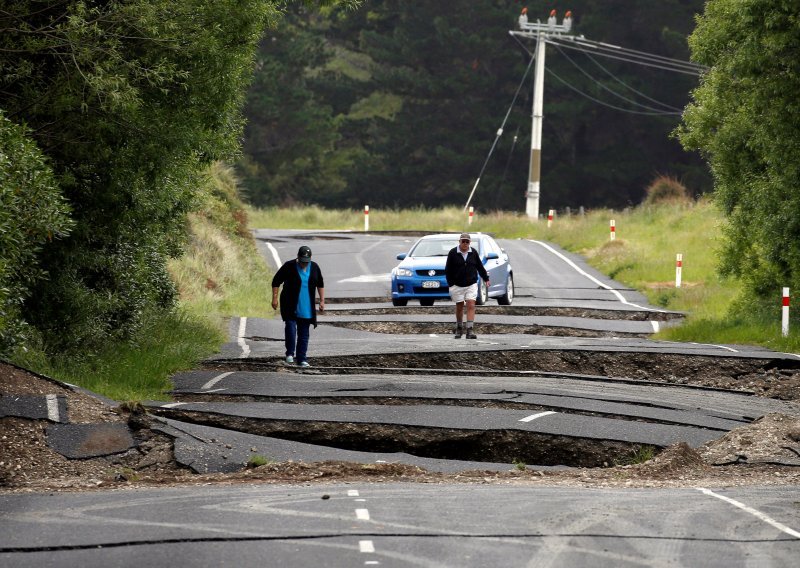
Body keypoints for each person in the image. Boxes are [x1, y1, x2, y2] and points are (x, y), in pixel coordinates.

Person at [271, 245, 325, 367]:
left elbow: (320, 284)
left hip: (306, 305)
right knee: (290, 328)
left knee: (304, 333)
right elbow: (276, 281)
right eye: (302, 261)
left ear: (310, 259)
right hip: (290, 304)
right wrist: (274, 298)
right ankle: (289, 354)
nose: (304, 264)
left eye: (306, 262)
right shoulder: (289, 266)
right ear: (297, 257)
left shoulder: (315, 267)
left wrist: (322, 301)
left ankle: (302, 358)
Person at [445, 233, 489, 339]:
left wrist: (486, 278)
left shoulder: (473, 252)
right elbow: (448, 270)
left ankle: (470, 330)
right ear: (459, 242)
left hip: (471, 284)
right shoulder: (452, 253)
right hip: (457, 285)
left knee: (471, 304)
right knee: (459, 306)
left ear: (470, 243)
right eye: (463, 241)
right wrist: (451, 284)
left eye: (467, 241)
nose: (465, 243)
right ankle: (459, 328)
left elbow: (479, 266)